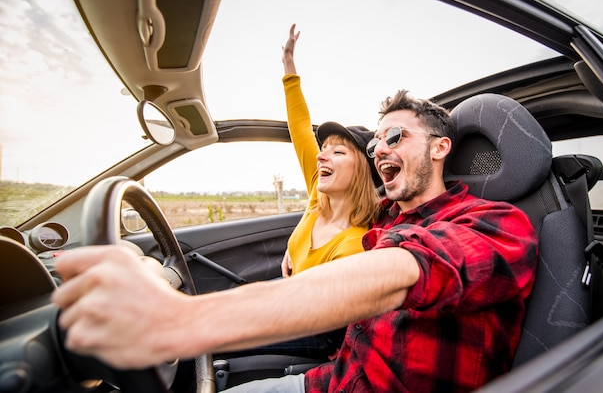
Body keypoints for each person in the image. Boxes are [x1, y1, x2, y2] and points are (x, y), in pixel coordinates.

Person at [52, 89, 538, 393]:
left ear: (439, 147)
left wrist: (182, 319)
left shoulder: (495, 223)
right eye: (375, 146)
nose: (381, 151)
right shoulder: (383, 218)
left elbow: (405, 271)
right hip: (334, 380)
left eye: (396, 137)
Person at [219, 24, 381, 359]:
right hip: (295, 299)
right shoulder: (317, 197)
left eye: (338, 152)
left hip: (317, 328)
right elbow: (299, 127)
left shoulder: (353, 245)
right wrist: (288, 66)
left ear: (362, 171)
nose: (322, 155)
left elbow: (312, 310)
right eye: (325, 149)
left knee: (213, 336)